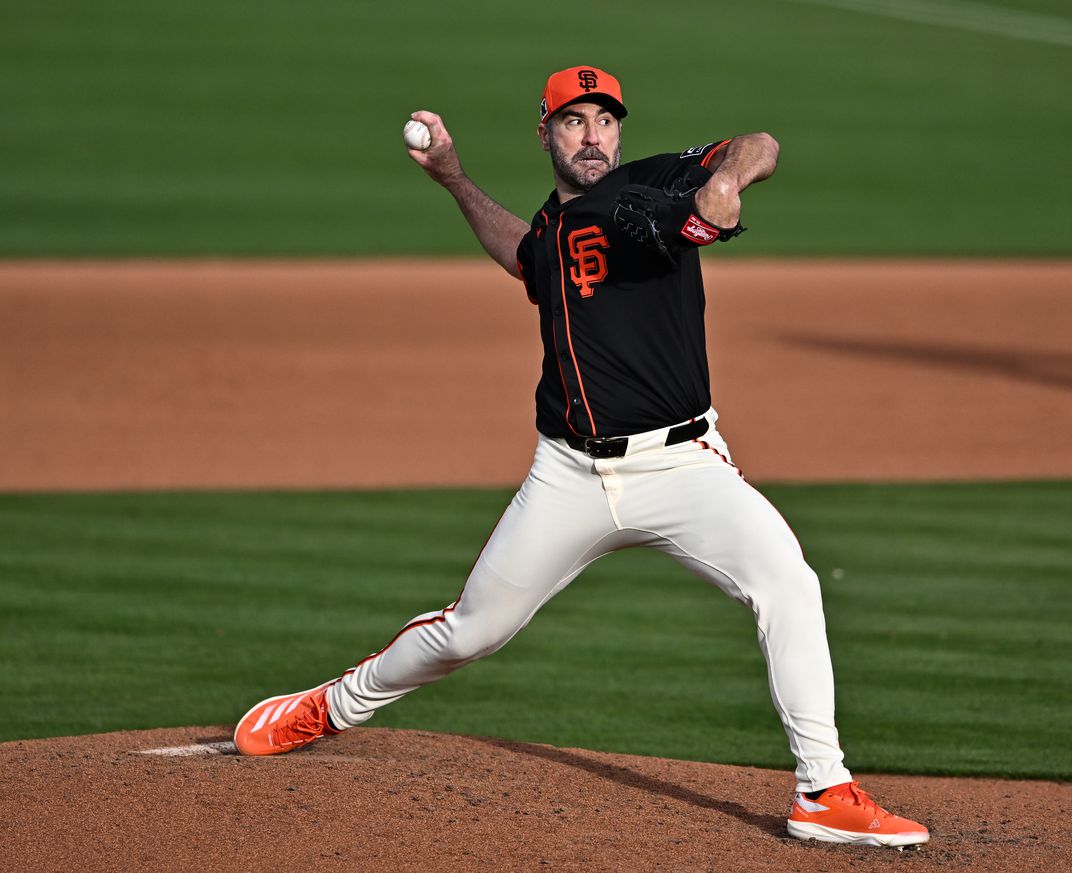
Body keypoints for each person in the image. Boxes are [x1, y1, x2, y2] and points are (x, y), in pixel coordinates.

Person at [233, 65, 929, 849]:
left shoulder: (656, 183)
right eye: (574, 120)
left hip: (684, 466)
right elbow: (524, 257)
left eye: (604, 119)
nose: (592, 134)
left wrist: (723, 184)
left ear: (620, 131)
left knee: (789, 584)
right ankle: (331, 704)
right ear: (546, 133)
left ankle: (823, 788)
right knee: (471, 633)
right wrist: (455, 180)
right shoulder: (553, 227)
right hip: (567, 474)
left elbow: (757, 145)